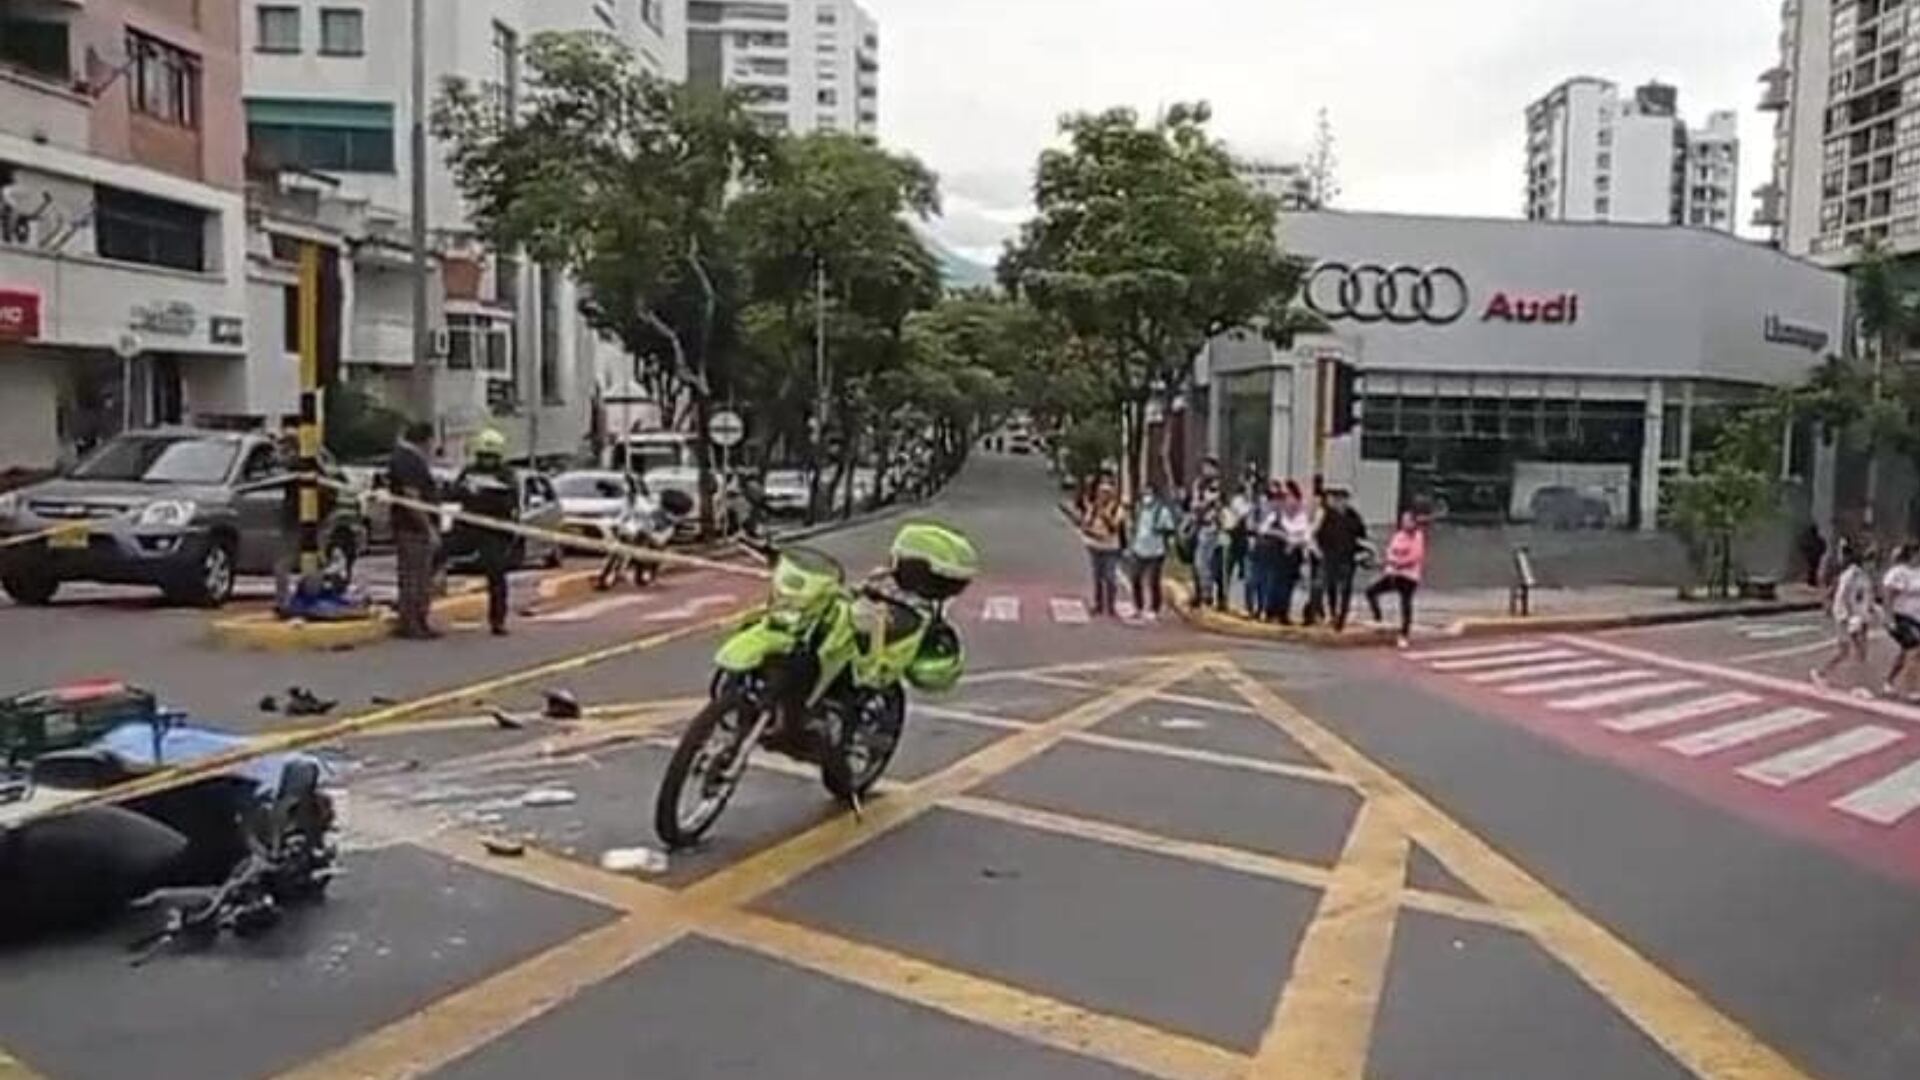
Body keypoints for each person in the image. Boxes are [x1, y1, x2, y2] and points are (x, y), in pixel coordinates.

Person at [454, 429, 519, 637]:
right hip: (469, 526)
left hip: (495, 531)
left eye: (491, 457)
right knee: (437, 554)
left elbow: (511, 502)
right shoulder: (469, 471)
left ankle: (497, 620)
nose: (487, 461)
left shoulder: (507, 475)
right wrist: (468, 492)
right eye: (483, 456)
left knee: (496, 574)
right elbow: (454, 493)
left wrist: (488, 495)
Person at [388, 421, 441, 640]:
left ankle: (416, 621)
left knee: (417, 576)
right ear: (425, 440)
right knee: (415, 576)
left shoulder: (405, 458)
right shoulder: (408, 461)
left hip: (410, 526)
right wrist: (428, 527)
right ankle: (413, 622)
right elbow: (412, 497)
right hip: (412, 528)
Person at [1812, 544, 1875, 691]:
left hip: (1861, 617)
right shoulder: (1851, 575)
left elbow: (1865, 597)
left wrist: (1871, 612)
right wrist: (1850, 616)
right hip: (1849, 617)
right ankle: (1857, 684)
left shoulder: (1865, 575)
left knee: (1856, 652)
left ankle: (1854, 682)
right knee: (1852, 651)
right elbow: (1843, 596)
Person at [1366, 510, 1429, 648]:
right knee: (1371, 591)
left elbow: (1415, 556)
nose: (1404, 523)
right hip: (1393, 574)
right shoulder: (1398, 535)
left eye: (1407, 520)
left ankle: (1404, 634)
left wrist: (1399, 563)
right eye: (1403, 520)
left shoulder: (1417, 536)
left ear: (1413, 522)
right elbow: (1390, 552)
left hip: (1408, 576)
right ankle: (1378, 619)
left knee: (1405, 603)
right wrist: (1389, 563)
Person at [1315, 486, 1368, 632]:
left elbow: (1361, 537)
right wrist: (1320, 551)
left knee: (1345, 589)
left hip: (1347, 558)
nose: (1340, 503)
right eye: (1338, 500)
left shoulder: (1353, 517)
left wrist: (1361, 553)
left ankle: (1341, 618)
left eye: (1343, 500)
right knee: (1330, 586)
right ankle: (1332, 612)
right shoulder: (1328, 516)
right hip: (1330, 556)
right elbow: (1319, 535)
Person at [1078, 473, 1126, 617]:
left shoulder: (1117, 508)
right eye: (1100, 493)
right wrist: (1087, 526)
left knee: (1110, 577)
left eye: (1106, 493)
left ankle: (1111, 606)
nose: (1102, 496)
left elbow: (1114, 528)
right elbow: (1085, 524)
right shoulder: (1093, 508)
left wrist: (1104, 514)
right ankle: (1098, 605)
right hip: (1095, 546)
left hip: (1111, 547)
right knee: (1097, 577)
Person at [1128, 484, 1177, 620]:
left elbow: (1170, 529)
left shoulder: (1162, 511)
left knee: (1153, 581)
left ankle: (1154, 609)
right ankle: (1138, 607)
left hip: (1156, 550)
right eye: (1144, 494)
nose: (1146, 497)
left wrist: (1161, 531)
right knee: (1135, 578)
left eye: (1149, 494)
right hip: (1139, 549)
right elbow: (1135, 527)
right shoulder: (1139, 509)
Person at [1881, 545, 1920, 698]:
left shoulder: (1917, 573)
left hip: (1916, 618)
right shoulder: (1898, 572)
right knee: (1914, 650)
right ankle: (1912, 689)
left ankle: (1888, 682)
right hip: (1901, 616)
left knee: (1906, 653)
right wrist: (1888, 617)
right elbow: (1888, 595)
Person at [1273, 481, 1314, 624]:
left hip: (1293, 553)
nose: (1287, 500)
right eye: (1285, 497)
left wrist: (1295, 542)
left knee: (1288, 584)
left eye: (1289, 496)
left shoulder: (1301, 513)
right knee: (1278, 583)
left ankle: (1283, 612)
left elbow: (1304, 533)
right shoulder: (1279, 512)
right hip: (1279, 550)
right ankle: (1276, 611)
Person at [1246, 481, 1282, 620]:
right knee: (1255, 580)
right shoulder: (1258, 507)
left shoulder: (1280, 509)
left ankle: (1263, 609)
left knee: (1267, 582)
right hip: (1259, 546)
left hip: (1272, 548)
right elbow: (1250, 525)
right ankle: (1255, 608)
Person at [1799, 524, 1829, 590]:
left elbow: (1823, 547)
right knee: (1812, 568)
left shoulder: (1817, 539)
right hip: (1812, 556)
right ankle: (1811, 581)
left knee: (1813, 569)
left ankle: (1812, 581)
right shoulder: (1810, 539)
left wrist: (1820, 553)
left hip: (1815, 556)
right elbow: (1803, 546)